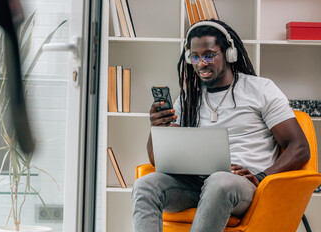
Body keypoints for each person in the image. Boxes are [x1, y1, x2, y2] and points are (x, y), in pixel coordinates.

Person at [132, 20, 311, 232]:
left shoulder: (260, 89)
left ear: (229, 54)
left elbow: (299, 147)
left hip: (242, 186)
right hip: (195, 183)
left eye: (209, 55)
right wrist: (157, 128)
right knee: (145, 186)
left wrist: (263, 177)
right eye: (195, 57)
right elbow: (157, 160)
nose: (201, 64)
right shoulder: (188, 99)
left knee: (219, 181)